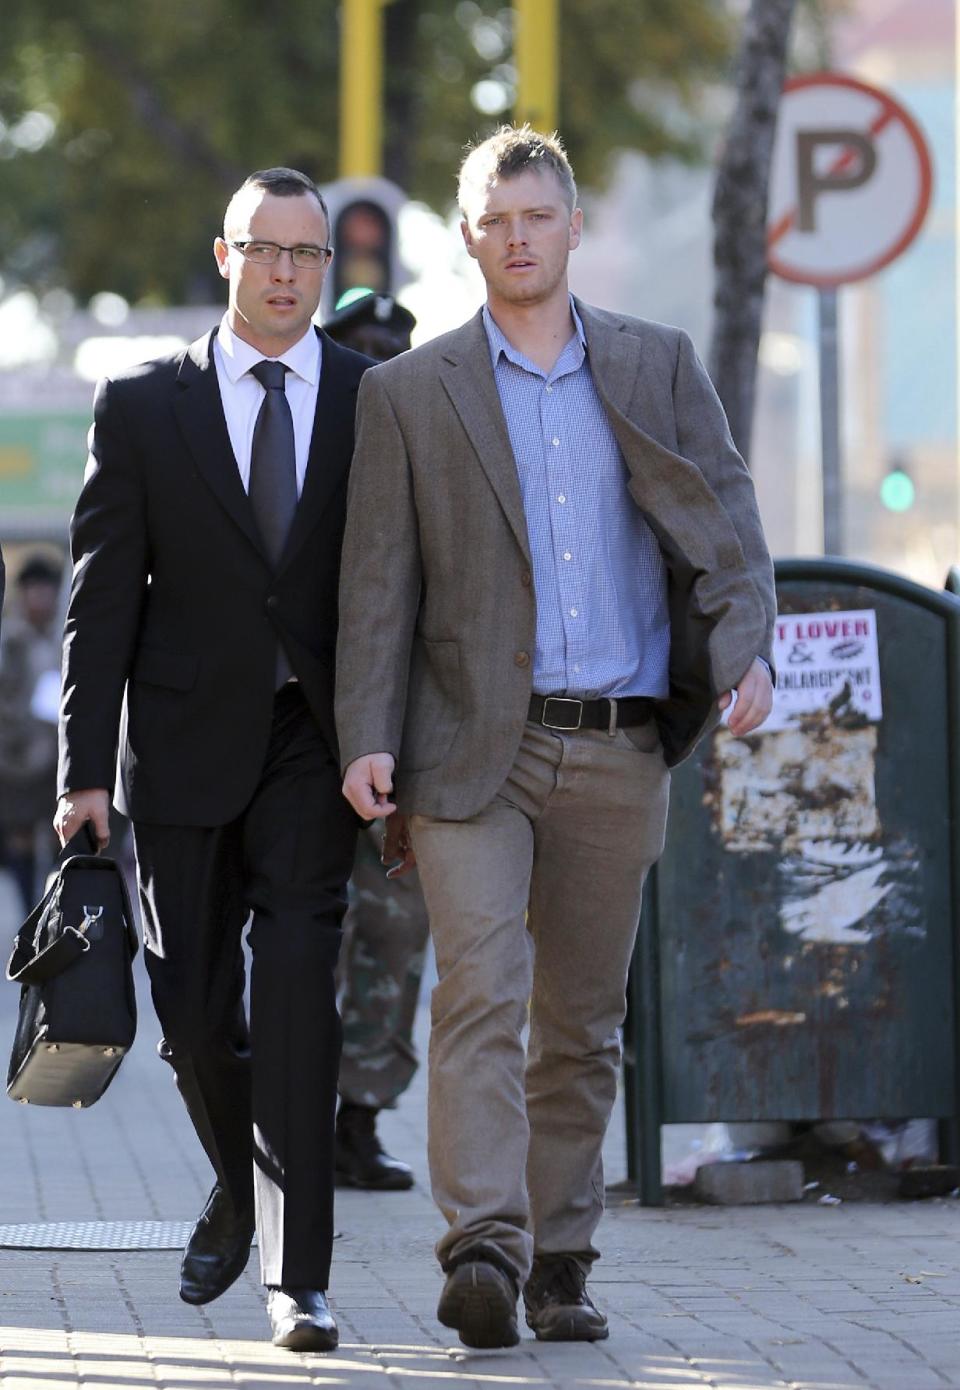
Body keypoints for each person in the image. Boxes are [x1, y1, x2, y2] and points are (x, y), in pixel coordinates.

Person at [336, 126, 775, 1350]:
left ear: (572, 227)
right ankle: (482, 1245)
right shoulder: (407, 393)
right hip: (473, 749)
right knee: (481, 990)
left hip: (622, 742)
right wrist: (366, 733)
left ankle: (561, 1258)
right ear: (468, 235)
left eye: (538, 215)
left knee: (581, 1023)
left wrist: (750, 648)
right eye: (496, 218)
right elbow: (378, 584)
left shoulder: (657, 365)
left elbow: (727, 523)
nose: (518, 236)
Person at [54, 167, 371, 1353]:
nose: (289, 272)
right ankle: (246, 1185)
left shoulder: (367, 396)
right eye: (267, 249)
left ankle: (300, 1277)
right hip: (179, 748)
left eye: (309, 253)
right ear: (227, 255)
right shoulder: (143, 406)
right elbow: (99, 605)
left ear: (324, 268)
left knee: (296, 988)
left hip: (313, 742)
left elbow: (386, 585)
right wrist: (84, 777)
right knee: (190, 1014)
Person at [323, 289, 426, 1192]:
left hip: (407, 740)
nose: (380, 360)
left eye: (395, 346)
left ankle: (361, 1118)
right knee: (306, 937)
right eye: (364, 345)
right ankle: (291, 1113)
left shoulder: (429, 442)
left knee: (395, 940)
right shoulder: (305, 448)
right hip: (307, 738)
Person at [0, 553, 63, 910]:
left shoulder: (67, 636)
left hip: (58, 757)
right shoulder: (8, 640)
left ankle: (53, 913)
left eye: (46, 590)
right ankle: (29, 914)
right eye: (33, 590)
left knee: (60, 838)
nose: (40, 598)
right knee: (21, 837)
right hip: (16, 758)